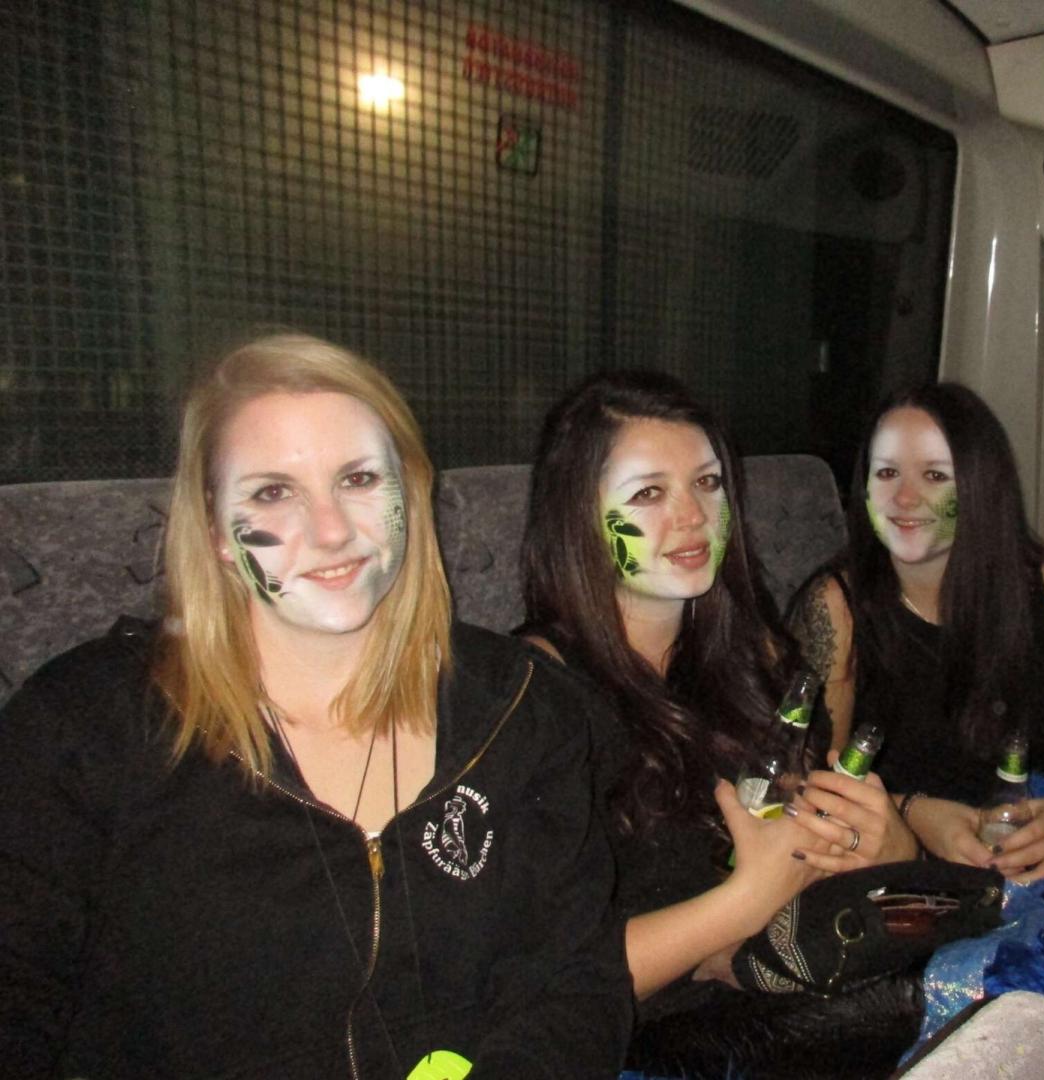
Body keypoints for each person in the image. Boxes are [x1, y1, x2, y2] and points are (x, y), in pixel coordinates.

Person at [0, 333, 632, 1077]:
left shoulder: (519, 706)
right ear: (215, 530)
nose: (332, 531)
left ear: (411, 493)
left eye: (359, 479)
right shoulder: (84, 729)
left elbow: (573, 985)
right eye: (273, 492)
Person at [517, 371, 920, 1036]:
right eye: (648, 493)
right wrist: (742, 903)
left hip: (781, 996)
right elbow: (538, 979)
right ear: (576, 517)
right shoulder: (533, 695)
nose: (693, 516)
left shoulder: (757, 656)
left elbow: (806, 838)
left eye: (707, 483)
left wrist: (887, 843)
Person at [790, 382, 1044, 883]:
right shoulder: (837, 606)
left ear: (980, 486)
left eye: (935, 475)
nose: (905, 497)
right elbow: (803, 785)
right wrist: (912, 814)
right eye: (886, 472)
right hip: (911, 879)